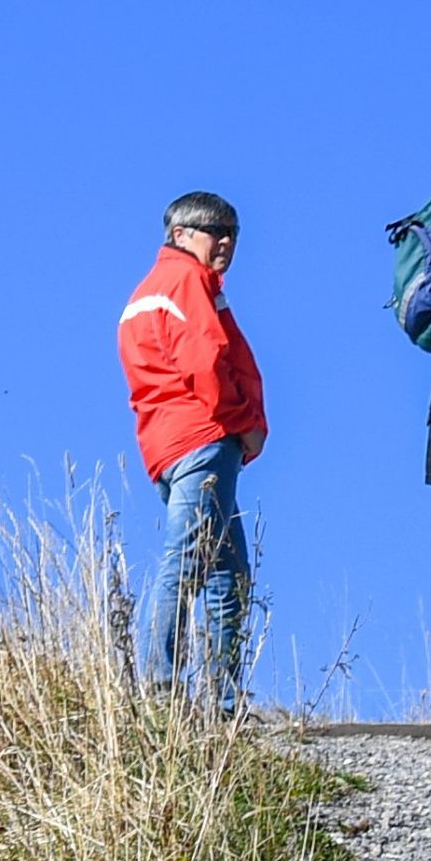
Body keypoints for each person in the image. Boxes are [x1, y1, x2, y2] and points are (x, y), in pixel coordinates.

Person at [117, 190, 267, 710]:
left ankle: (224, 701)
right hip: (203, 440)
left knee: (228, 571)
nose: (225, 240)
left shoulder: (148, 292)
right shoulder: (186, 281)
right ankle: (161, 692)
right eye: (213, 230)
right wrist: (245, 422)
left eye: (232, 232)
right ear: (179, 235)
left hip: (170, 445)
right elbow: (206, 360)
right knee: (187, 564)